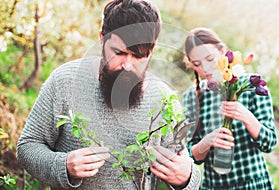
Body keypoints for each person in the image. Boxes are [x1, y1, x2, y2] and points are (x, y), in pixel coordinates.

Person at [17, 0, 201, 189]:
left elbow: (185, 169)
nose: (127, 65)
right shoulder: (64, 81)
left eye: (139, 56)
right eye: (119, 52)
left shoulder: (164, 100)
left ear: (152, 51)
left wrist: (185, 178)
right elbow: (27, 147)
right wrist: (63, 165)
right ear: (102, 39)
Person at [182, 27, 277, 189]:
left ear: (223, 52)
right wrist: (207, 141)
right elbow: (192, 156)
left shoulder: (251, 86)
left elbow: (269, 143)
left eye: (210, 59)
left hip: (255, 185)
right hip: (215, 186)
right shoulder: (192, 96)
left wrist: (246, 117)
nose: (204, 68)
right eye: (197, 64)